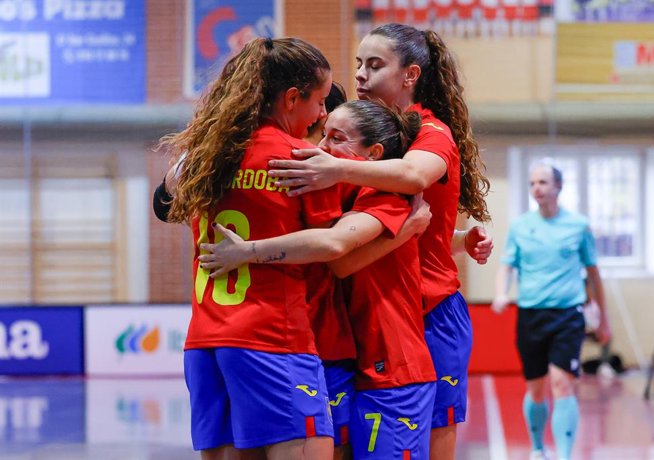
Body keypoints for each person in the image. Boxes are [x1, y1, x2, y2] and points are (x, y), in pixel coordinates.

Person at [262, 23, 492, 459]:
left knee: (432, 440)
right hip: (373, 310)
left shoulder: (430, 134)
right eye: (359, 65)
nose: (362, 75)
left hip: (430, 312)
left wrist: (333, 167)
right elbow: (406, 230)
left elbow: (411, 180)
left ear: (410, 76)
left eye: (375, 65)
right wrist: (459, 239)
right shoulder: (362, 133)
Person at [199, 99, 439, 459]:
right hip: (333, 354)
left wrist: (246, 251)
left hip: (389, 364)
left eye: (335, 138)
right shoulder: (329, 191)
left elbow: (337, 254)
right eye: (320, 135)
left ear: (373, 154)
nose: (321, 149)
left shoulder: (387, 196)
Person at [155, 37, 354, 460]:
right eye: (319, 102)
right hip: (272, 337)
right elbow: (333, 247)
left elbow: (164, 204)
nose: (323, 114)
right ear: (291, 98)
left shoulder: (206, 156)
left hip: (205, 344)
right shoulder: (301, 159)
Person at [491, 162, 611, 460]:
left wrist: (603, 318)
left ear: (558, 187)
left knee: (562, 384)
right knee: (536, 388)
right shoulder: (520, 226)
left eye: (543, 182)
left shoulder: (578, 226)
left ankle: (566, 454)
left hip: (568, 316)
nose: (537, 189)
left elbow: (593, 274)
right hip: (532, 315)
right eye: (532, 183)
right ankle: (537, 448)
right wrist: (500, 293)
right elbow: (507, 266)